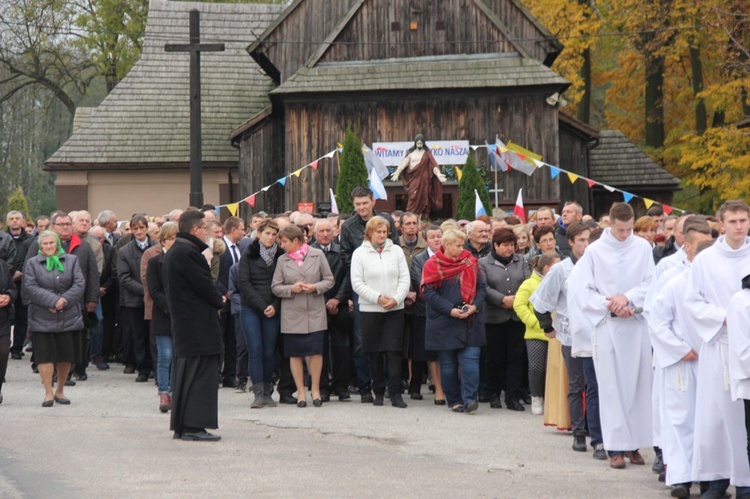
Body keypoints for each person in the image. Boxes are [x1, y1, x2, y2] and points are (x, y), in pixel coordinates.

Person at [567, 202, 654, 469]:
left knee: (638, 386)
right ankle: (614, 446)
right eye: (620, 230)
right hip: (608, 325)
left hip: (636, 323)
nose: (625, 235)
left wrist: (627, 298)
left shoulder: (642, 247)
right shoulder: (594, 252)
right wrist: (611, 304)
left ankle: (634, 445)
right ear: (610, 224)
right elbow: (582, 290)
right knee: (611, 387)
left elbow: (651, 282)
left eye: (629, 229)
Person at [684, 199, 750, 497]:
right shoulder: (706, 260)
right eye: (733, 221)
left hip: (748, 347)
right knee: (714, 417)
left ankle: (746, 480)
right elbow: (693, 302)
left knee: (743, 420)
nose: (739, 226)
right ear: (721, 224)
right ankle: (717, 478)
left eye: (744, 220)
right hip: (719, 344)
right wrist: (724, 317)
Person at [647, 223, 713, 497]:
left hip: (711, 362)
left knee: (710, 423)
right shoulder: (674, 282)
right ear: (688, 247)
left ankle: (712, 478)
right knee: (681, 420)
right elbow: (656, 320)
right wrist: (679, 349)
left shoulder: (716, 284)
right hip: (683, 363)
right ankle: (682, 479)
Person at [532, 222, 605, 458]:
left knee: (597, 385)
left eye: (588, 240)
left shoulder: (599, 266)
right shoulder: (560, 270)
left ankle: (598, 433)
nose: (585, 245)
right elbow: (541, 302)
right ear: (571, 242)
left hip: (598, 332)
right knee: (576, 383)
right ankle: (578, 432)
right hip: (572, 333)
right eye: (580, 240)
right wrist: (548, 328)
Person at [163, 211, 225, 441]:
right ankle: (194, 426)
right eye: (205, 228)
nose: (208, 232)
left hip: (187, 324)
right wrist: (219, 300)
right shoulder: (188, 253)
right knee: (200, 376)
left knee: (188, 374)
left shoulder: (178, 250)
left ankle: (184, 425)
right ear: (195, 230)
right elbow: (204, 285)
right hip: (197, 325)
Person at [339, 186, 398, 403]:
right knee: (362, 339)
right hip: (363, 287)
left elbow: (396, 248)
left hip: (388, 287)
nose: (362, 208)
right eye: (358, 204)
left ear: (373, 201)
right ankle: (365, 385)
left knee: (388, 339)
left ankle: (387, 385)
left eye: (365, 203)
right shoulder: (348, 227)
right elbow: (346, 256)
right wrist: (362, 268)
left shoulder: (386, 221)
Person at [421, 228, 486, 413]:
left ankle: (470, 399)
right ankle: (454, 400)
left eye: (462, 245)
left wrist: (475, 306)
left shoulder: (471, 262)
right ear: (447, 245)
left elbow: (482, 288)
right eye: (458, 245)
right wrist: (450, 310)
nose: (462, 249)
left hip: (469, 319)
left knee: (471, 361)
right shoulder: (432, 264)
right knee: (448, 365)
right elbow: (428, 293)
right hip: (444, 321)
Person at [350, 216, 410, 408]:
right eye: (378, 232)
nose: (382, 235)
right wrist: (377, 298)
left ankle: (395, 393)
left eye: (385, 232)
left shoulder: (397, 251)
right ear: (370, 233)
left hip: (394, 308)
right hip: (371, 309)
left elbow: (404, 279)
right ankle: (378, 391)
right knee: (374, 352)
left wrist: (396, 298)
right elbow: (357, 283)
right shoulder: (360, 253)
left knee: (394, 351)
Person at [271, 225, 334, 407]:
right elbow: (275, 287)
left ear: (296, 241)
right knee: (295, 353)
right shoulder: (282, 260)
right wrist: (291, 289)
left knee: (315, 351)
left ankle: (315, 389)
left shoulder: (317, 255)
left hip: (314, 311)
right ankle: (300, 391)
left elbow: (330, 280)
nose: (282, 245)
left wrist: (315, 287)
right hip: (292, 314)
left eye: (284, 242)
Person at [23, 231, 85, 406]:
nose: (49, 246)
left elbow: (79, 284)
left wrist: (63, 301)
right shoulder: (32, 263)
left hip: (68, 316)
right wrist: (52, 301)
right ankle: (48, 393)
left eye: (51, 243)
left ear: (57, 244)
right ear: (40, 247)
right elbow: (30, 286)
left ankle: (60, 390)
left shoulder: (71, 260)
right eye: (45, 244)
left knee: (66, 356)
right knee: (45, 356)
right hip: (42, 317)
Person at [480, 227, 531, 411]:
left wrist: (517, 300)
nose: (510, 249)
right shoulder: (484, 263)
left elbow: (528, 282)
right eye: (506, 245)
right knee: (494, 357)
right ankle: (494, 393)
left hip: (516, 317)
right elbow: (483, 288)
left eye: (512, 245)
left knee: (516, 357)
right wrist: (502, 299)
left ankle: (513, 396)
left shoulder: (521, 261)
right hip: (494, 318)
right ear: (496, 245)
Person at [239, 218, 285, 408]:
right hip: (251, 308)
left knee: (268, 352)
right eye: (267, 233)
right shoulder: (248, 253)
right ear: (259, 234)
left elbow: (285, 283)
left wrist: (275, 305)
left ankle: (268, 391)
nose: (270, 237)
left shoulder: (281, 256)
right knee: (255, 350)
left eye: (274, 234)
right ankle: (258, 392)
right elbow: (244, 283)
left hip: (273, 308)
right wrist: (262, 305)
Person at [311, 219, 354, 402]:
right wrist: (324, 301)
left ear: (335, 231)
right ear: (315, 234)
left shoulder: (341, 252)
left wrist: (337, 299)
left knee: (341, 348)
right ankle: (322, 387)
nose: (325, 234)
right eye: (321, 231)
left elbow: (348, 275)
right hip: (316, 306)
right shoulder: (309, 253)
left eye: (328, 230)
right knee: (319, 349)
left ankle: (341, 386)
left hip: (339, 307)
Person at [514, 253, 559, 416]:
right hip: (535, 333)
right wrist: (535, 322)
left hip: (557, 333)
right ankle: (536, 396)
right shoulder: (529, 283)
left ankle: (552, 400)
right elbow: (519, 305)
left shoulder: (561, 282)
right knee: (536, 368)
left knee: (553, 369)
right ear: (547, 268)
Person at [410, 224, 446, 405]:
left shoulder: (450, 257)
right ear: (425, 239)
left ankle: (447, 386)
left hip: (448, 312)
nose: (436, 239)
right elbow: (420, 284)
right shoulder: (419, 259)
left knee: (445, 350)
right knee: (425, 351)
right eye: (432, 237)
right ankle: (430, 387)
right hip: (425, 311)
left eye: (439, 236)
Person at [146, 222, 178, 413]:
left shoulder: (182, 260)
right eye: (171, 238)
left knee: (176, 355)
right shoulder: (154, 262)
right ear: (163, 241)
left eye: (176, 238)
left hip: (180, 315)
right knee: (165, 355)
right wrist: (169, 306)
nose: (174, 242)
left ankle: (175, 392)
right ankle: (164, 392)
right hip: (163, 314)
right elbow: (154, 290)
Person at [390, 134, 445, 220]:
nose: (419, 145)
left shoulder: (427, 154)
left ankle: (422, 219)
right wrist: (397, 172)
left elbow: (433, 166)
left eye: (421, 143)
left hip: (424, 180)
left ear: (423, 143)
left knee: (424, 199)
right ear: (415, 143)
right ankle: (411, 217)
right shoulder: (411, 153)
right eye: (418, 143)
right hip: (414, 179)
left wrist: (438, 174)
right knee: (413, 197)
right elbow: (404, 163)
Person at [0, 256, 17, 403]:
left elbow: (12, 287)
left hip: (2, 320)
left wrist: (8, 296)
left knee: (3, 352)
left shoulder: (2, 265)